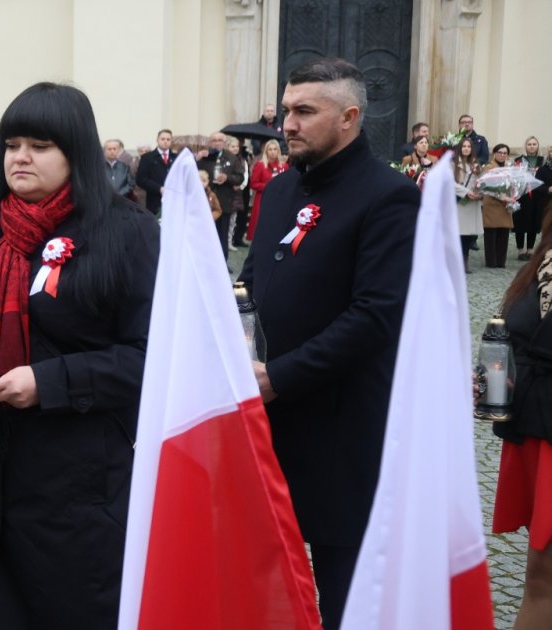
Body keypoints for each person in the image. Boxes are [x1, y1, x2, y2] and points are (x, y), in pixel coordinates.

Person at [0, 82, 158, 629]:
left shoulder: (129, 234)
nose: (19, 157)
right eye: (11, 144)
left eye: (39, 145)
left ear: (75, 152)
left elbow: (151, 359)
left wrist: (50, 381)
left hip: (74, 481)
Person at [237, 58, 419, 630]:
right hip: (268, 423)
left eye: (304, 112)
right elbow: (257, 284)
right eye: (286, 110)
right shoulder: (286, 185)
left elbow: (374, 317)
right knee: (263, 576)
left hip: (344, 430)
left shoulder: (389, 197)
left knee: (345, 592)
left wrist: (280, 375)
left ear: (349, 117)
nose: (286, 124)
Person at [490, 209, 552, 630]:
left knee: (543, 579)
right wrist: (496, 374)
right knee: (542, 579)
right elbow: (515, 330)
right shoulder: (544, 259)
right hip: (535, 426)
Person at [211, 135, 247, 257]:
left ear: (224, 143)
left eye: (220, 140)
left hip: (224, 201)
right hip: (206, 202)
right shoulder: (205, 157)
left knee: (222, 234)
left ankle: (222, 263)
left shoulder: (232, 158)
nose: (217, 143)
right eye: (214, 140)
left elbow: (240, 177)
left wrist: (227, 178)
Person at [482, 144, 516, 268]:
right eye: (500, 152)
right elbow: (488, 187)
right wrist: (503, 197)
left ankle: (501, 261)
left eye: (505, 153)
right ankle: (491, 262)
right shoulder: (489, 167)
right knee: (491, 233)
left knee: (504, 233)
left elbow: (513, 184)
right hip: (492, 203)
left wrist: (514, 192)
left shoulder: (509, 168)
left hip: (505, 204)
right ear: (494, 153)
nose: (502, 155)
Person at [247, 138, 288, 241]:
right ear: (266, 151)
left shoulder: (284, 166)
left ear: (278, 151)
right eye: (270, 149)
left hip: (279, 200)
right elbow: (254, 184)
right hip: (263, 199)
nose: (273, 152)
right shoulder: (260, 165)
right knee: (261, 226)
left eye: (275, 149)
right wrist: (269, 186)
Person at [453, 137, 484, 273]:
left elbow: (480, 182)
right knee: (458, 233)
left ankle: (465, 260)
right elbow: (449, 182)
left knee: (469, 235)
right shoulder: (453, 163)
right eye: (464, 146)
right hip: (459, 203)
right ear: (460, 148)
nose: (466, 148)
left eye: (469, 146)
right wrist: (466, 192)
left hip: (472, 204)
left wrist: (479, 193)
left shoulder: (476, 165)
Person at [514, 137, 547, 261]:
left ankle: (530, 249)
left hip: (538, 196)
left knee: (534, 221)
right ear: (525, 146)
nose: (532, 146)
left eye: (534, 144)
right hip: (523, 195)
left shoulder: (543, 161)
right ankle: (520, 249)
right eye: (529, 144)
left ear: (538, 146)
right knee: (520, 222)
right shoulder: (519, 160)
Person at [135, 128, 176, 214]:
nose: (165, 141)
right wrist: (159, 188)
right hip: (154, 200)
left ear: (171, 141)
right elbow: (141, 179)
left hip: (173, 200)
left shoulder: (176, 158)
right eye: (163, 139)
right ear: (157, 140)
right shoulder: (147, 158)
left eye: (168, 139)